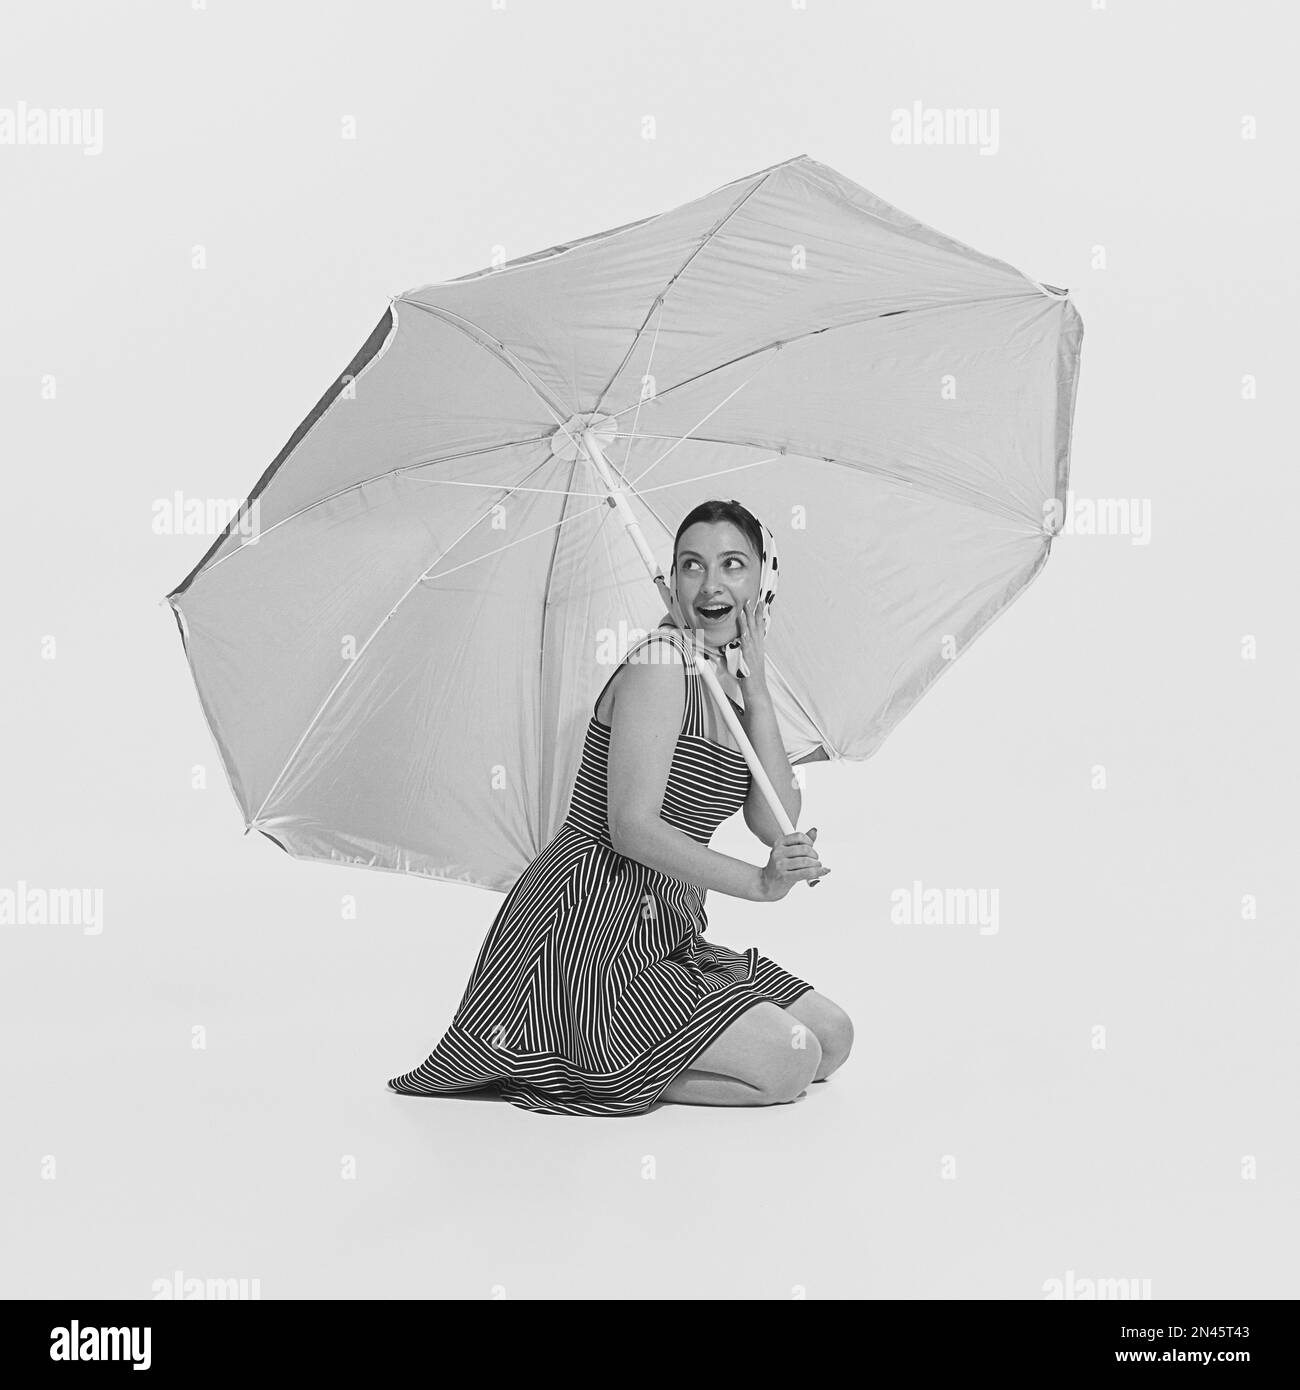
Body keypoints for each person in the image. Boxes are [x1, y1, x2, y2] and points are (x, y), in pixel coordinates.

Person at [387, 498, 853, 1116]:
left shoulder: (730, 692)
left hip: (667, 930)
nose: (711, 585)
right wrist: (760, 883)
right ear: (672, 585)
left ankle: (639, 1059)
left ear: (764, 579)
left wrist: (758, 688)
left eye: (732, 565)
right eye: (691, 566)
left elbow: (773, 822)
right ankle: (575, 1066)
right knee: (787, 1063)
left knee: (832, 1038)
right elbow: (631, 829)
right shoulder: (661, 665)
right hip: (589, 929)